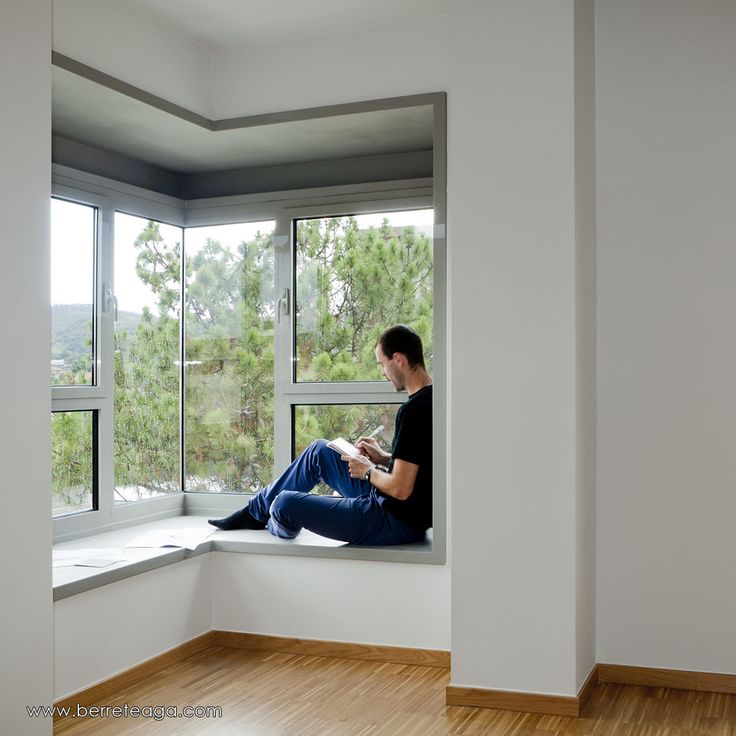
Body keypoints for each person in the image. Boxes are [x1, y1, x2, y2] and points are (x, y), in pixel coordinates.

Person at [208, 324, 433, 545]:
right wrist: (383, 457)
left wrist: (367, 471)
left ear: (399, 360)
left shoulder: (414, 410)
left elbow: (401, 489)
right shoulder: (433, 398)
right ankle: (254, 513)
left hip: (391, 520)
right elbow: (422, 465)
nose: (383, 373)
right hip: (388, 503)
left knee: (284, 503)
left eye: (382, 365)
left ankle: (282, 520)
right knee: (320, 450)